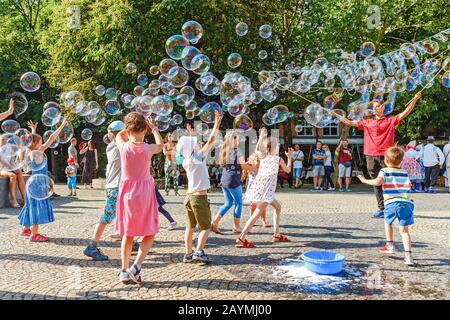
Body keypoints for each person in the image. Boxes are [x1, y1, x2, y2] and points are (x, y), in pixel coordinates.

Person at [331, 92, 422, 218]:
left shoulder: (390, 121)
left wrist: (415, 99)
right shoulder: (367, 122)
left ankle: (398, 204)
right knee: (376, 183)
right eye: (374, 106)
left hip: (387, 156)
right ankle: (382, 209)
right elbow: (349, 122)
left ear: (382, 108)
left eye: (378, 105)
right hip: (370, 155)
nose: (376, 107)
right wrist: (335, 114)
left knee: (391, 181)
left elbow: (406, 112)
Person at [115, 113, 163, 284]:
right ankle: (136, 267)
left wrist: (127, 127)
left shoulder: (122, 146)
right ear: (145, 129)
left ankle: (123, 271)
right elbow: (160, 145)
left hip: (127, 194)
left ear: (128, 130)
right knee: (150, 231)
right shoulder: (148, 149)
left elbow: (120, 135)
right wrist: (154, 128)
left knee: (128, 235)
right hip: (144, 194)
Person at [358, 146, 416, 266]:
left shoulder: (384, 171)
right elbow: (409, 184)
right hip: (406, 203)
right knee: (405, 231)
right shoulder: (405, 172)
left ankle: (390, 245)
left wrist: (364, 181)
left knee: (387, 221)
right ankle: (409, 256)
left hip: (391, 202)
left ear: (386, 160)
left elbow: (378, 182)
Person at [177, 111, 221, 264]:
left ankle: (188, 254)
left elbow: (194, 146)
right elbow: (212, 140)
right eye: (195, 143)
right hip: (199, 198)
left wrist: (191, 135)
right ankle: (199, 252)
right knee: (206, 227)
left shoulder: (187, 160)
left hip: (189, 197)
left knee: (190, 227)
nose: (198, 143)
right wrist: (217, 123)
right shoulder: (198, 157)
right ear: (193, 148)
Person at [237, 137, 294, 248]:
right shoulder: (278, 159)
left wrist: (262, 136)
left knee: (278, 207)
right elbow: (288, 170)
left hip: (262, 188)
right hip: (266, 191)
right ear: (273, 147)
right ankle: (241, 238)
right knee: (256, 214)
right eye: (277, 145)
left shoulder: (262, 157)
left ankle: (276, 235)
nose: (278, 146)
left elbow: (257, 148)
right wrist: (290, 157)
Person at [19, 118, 68, 241]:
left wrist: (33, 130)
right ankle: (34, 234)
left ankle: (26, 228)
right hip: (39, 183)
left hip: (32, 182)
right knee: (36, 206)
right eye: (40, 142)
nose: (42, 143)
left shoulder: (28, 151)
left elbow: (32, 140)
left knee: (30, 205)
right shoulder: (38, 151)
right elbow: (51, 138)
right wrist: (62, 125)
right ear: (36, 144)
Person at [211, 131, 253, 235]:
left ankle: (215, 222)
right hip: (234, 180)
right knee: (238, 203)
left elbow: (235, 164)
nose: (238, 140)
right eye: (237, 138)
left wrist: (245, 164)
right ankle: (236, 226)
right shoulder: (238, 150)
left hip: (225, 179)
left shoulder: (224, 150)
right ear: (232, 140)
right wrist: (255, 167)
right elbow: (243, 166)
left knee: (228, 203)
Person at [0, 135, 26, 208]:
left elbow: (11, 160)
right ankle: (13, 200)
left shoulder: (8, 147)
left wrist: (16, 167)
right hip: (1, 169)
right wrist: (12, 168)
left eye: (6, 139)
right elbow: (1, 162)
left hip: (7, 168)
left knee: (19, 173)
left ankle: (24, 199)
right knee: (13, 176)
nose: (5, 141)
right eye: (2, 139)